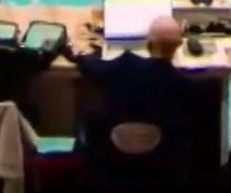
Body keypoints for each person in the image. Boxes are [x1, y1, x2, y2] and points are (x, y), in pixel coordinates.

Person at [74, 15, 197, 161]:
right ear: (179, 45)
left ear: (148, 42)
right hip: (160, 163)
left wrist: (79, 54)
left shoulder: (125, 65)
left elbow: (91, 67)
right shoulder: (183, 84)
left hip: (112, 159)